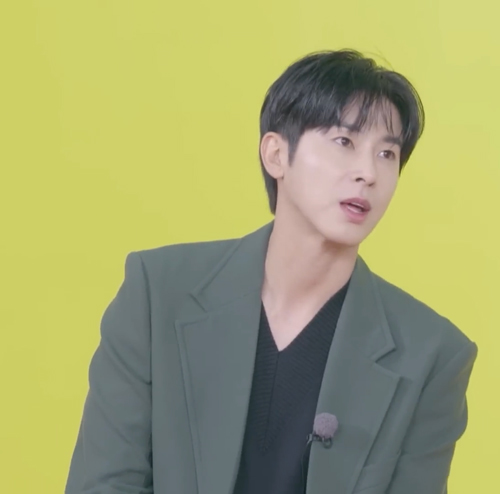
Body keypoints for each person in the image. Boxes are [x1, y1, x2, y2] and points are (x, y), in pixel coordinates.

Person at [65, 50, 478, 494]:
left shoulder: (433, 355)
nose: (369, 173)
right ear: (276, 154)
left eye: (387, 154)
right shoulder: (157, 293)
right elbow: (105, 482)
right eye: (344, 142)